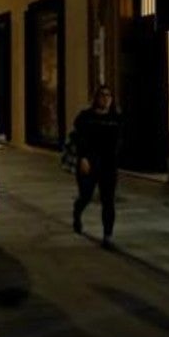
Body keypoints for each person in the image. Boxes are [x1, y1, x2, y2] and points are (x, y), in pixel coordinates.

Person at [71, 84, 122, 248]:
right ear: (96, 98)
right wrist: (83, 158)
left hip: (109, 165)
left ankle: (108, 236)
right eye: (102, 95)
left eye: (109, 96)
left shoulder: (115, 119)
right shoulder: (86, 117)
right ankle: (77, 214)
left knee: (108, 201)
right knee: (86, 196)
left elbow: (120, 140)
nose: (106, 99)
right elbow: (79, 139)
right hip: (89, 163)